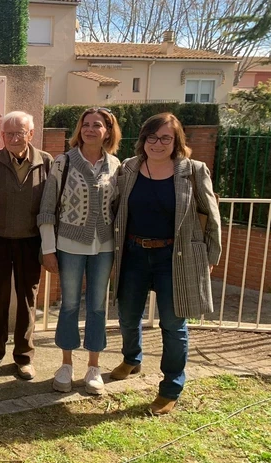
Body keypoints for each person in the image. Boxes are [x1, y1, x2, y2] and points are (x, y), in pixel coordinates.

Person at [111, 112, 221, 415]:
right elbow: (116, 208)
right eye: (152, 136)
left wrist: (209, 257)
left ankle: (171, 386)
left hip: (175, 257)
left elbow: (211, 216)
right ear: (143, 139)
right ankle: (132, 358)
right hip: (133, 252)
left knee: (173, 325)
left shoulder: (193, 171)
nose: (157, 143)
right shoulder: (129, 168)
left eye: (165, 138)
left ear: (176, 141)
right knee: (127, 314)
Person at [38, 107, 122, 395]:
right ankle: (65, 364)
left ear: (108, 131)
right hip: (69, 245)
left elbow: (119, 209)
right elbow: (47, 208)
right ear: (79, 130)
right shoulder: (63, 163)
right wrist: (48, 249)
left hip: (104, 246)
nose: (90, 129)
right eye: (85, 125)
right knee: (70, 304)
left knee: (98, 306)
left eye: (97, 125)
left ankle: (94, 367)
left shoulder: (116, 165)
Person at [0, 111, 53, 380]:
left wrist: (48, 246)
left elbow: (51, 206)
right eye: (8, 133)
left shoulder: (45, 162)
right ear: (2, 136)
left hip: (31, 241)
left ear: (30, 134)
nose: (13, 138)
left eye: (19, 132)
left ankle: (23, 356)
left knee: (26, 300)